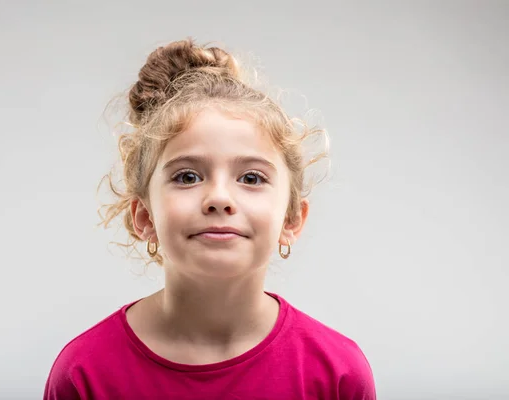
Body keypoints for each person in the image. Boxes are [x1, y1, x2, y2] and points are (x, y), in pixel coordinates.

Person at [43, 38, 376, 400]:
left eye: (251, 178)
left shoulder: (338, 375)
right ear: (144, 216)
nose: (219, 198)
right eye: (187, 176)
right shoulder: (85, 373)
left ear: (291, 220)